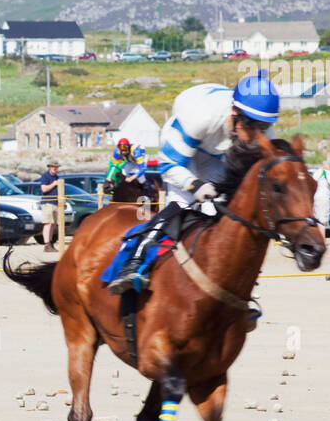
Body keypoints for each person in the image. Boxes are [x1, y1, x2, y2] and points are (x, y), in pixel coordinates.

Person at [107, 70, 282, 292]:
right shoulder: (201, 116)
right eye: (250, 125)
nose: (256, 135)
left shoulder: (263, 134)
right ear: (235, 111)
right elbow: (168, 165)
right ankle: (134, 261)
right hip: (184, 148)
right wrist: (195, 185)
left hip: (218, 152)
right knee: (181, 206)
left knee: (223, 211)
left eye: (263, 127)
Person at [38, 161, 62, 253]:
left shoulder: (57, 177)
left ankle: (50, 243)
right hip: (47, 202)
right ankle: (46, 244)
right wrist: (54, 184)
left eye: (56, 166)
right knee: (48, 223)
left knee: (53, 224)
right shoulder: (45, 176)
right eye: (53, 166)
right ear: (49, 167)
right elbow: (43, 189)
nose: (55, 168)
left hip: (56, 202)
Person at [312, 164, 330, 233]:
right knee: (322, 220)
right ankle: (323, 240)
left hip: (315, 197)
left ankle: (317, 237)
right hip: (323, 197)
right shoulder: (326, 172)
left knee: (317, 218)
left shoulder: (316, 172)